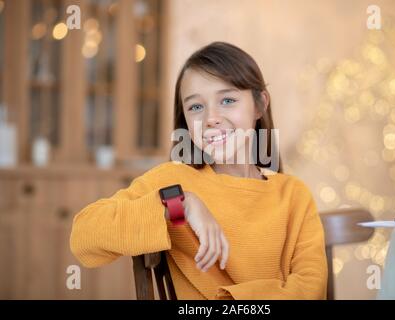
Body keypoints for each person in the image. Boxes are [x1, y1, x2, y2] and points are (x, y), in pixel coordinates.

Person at [70, 41, 327, 300]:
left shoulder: (294, 195)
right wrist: (182, 204)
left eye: (227, 100)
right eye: (195, 107)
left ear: (259, 105)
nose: (211, 118)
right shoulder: (173, 183)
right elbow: (84, 235)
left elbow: (310, 288)